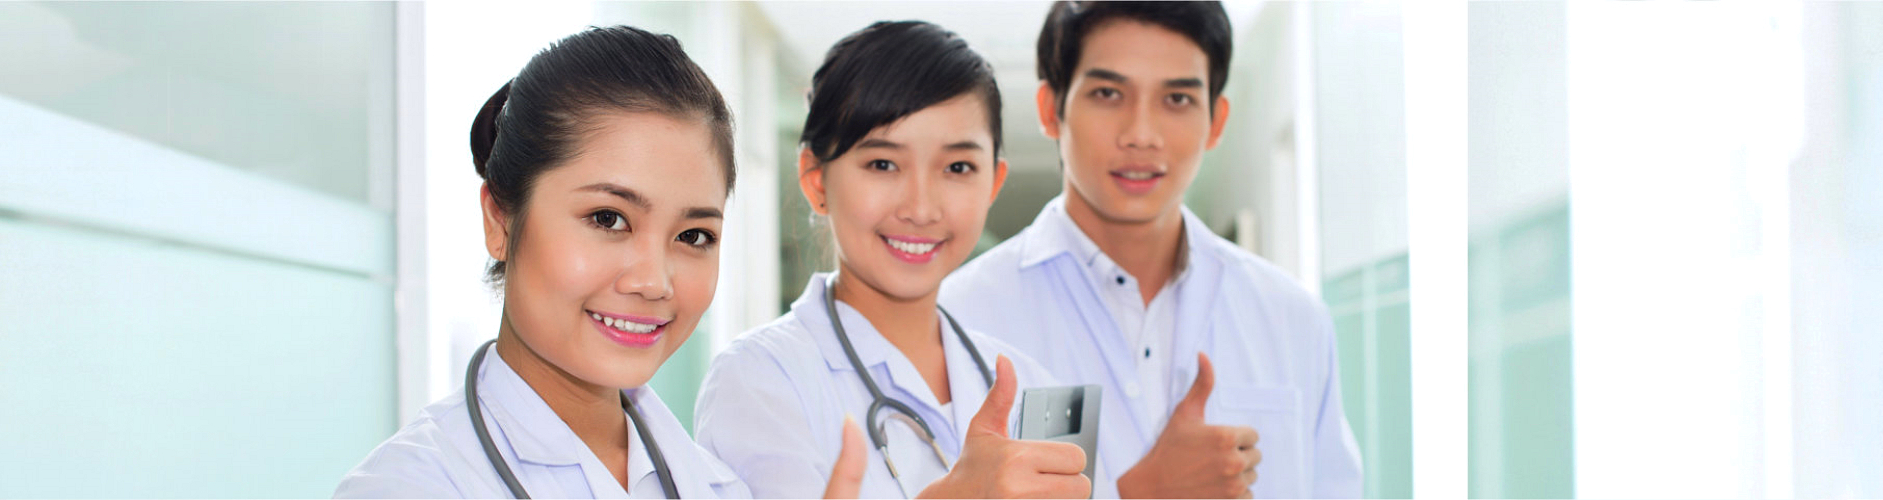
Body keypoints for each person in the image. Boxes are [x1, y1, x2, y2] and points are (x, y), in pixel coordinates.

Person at [334, 26, 865, 499]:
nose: (654, 281)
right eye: (608, 219)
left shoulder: (714, 484)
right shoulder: (406, 487)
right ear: (500, 220)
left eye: (694, 235)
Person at [939, 2, 1365, 498]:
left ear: (1217, 120)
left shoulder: (1294, 318)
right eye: (1108, 93)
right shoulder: (961, 317)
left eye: (1178, 99)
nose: (1141, 134)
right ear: (1050, 109)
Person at [695, 21, 1091, 500]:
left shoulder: (1037, 386)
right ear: (816, 180)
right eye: (883, 164)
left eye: (957, 167)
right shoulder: (758, 381)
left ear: (992, 183)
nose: (921, 208)